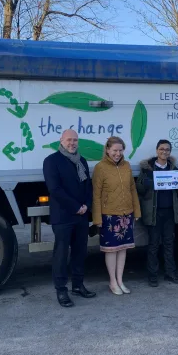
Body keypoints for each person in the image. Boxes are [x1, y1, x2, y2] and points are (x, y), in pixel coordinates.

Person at [43, 129, 96, 307]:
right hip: (63, 216)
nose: (72, 143)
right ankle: (61, 290)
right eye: (68, 140)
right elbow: (55, 189)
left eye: (75, 140)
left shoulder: (82, 161)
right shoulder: (51, 161)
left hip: (81, 215)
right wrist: (76, 207)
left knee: (80, 252)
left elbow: (88, 186)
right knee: (61, 253)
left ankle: (78, 285)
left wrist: (87, 206)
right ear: (61, 141)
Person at [92, 136, 141, 295]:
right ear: (107, 150)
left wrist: (136, 210)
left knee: (123, 249)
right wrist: (97, 218)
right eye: (114, 150)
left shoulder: (126, 166)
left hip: (126, 214)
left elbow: (132, 189)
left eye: (120, 150)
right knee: (111, 250)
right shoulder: (100, 168)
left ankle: (120, 280)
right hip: (109, 216)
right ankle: (112, 282)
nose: (118, 153)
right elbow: (96, 195)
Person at [137, 139, 178, 287]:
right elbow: (139, 190)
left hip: (169, 212)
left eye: (167, 150)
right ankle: (153, 275)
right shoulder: (147, 169)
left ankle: (170, 273)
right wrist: (144, 184)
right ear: (157, 150)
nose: (164, 152)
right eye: (162, 149)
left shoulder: (173, 168)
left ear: (170, 152)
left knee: (169, 243)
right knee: (153, 245)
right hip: (154, 213)